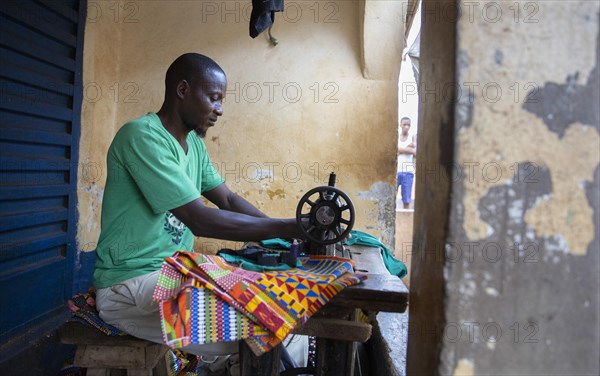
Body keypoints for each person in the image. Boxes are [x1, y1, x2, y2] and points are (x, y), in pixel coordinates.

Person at [93, 53, 304, 361]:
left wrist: (284, 237)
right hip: (130, 287)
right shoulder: (142, 136)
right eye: (214, 99)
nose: (219, 111)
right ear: (183, 90)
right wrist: (290, 226)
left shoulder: (195, 147)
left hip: (170, 274)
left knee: (277, 313)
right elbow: (198, 218)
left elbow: (228, 200)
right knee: (268, 327)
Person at [397, 117, 416, 210]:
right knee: (391, 198)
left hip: (408, 172)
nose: (406, 127)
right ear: (400, 125)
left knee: (406, 200)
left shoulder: (413, 137)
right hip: (396, 172)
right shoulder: (396, 137)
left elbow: (415, 152)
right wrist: (408, 148)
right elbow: (394, 150)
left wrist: (400, 150)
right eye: (404, 124)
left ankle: (406, 222)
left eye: (408, 125)